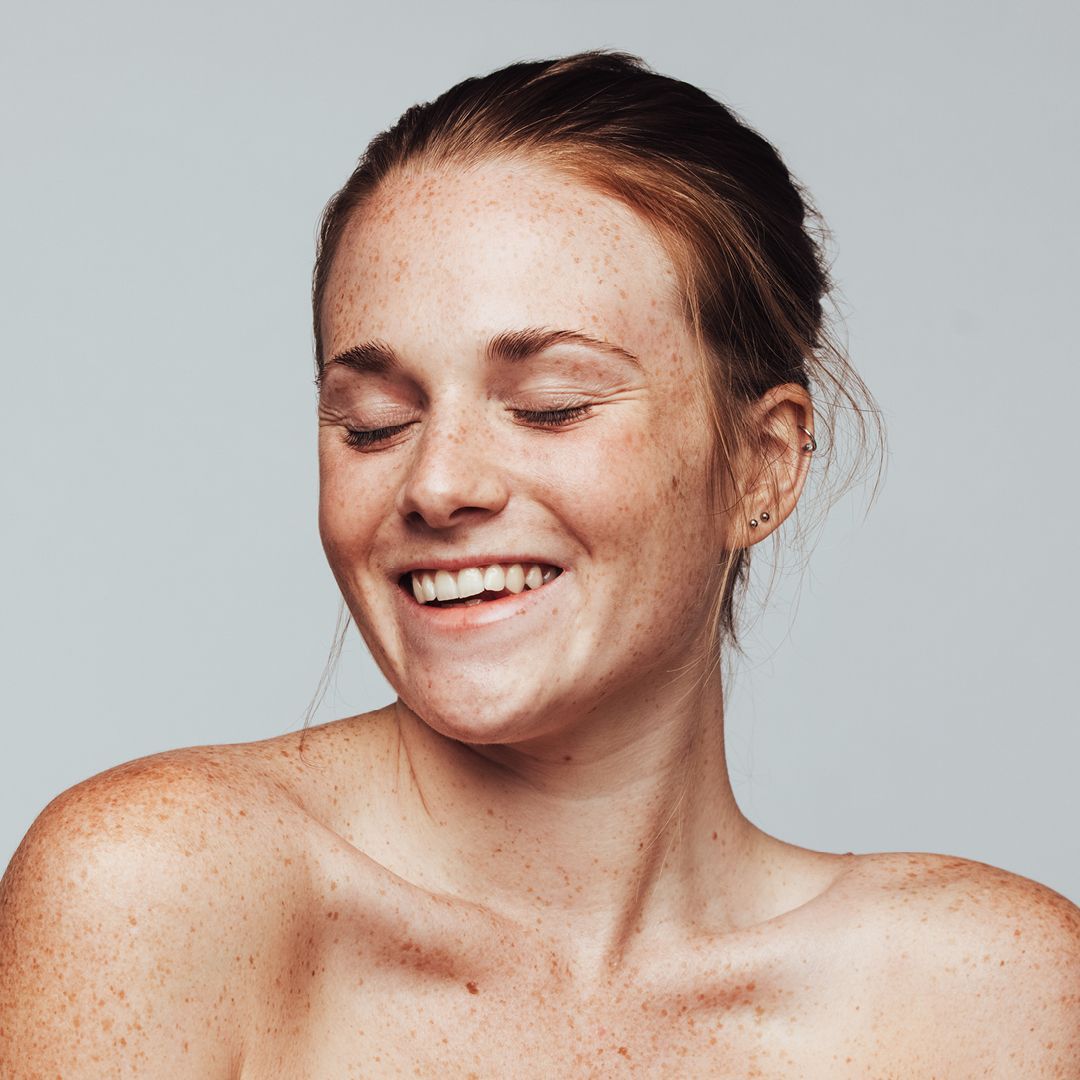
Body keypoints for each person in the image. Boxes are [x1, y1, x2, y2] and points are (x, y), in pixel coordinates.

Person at [2, 50, 1078, 1077]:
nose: (436, 485)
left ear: (762, 463)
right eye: (373, 423)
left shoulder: (990, 995)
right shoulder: (158, 892)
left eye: (550, 406)